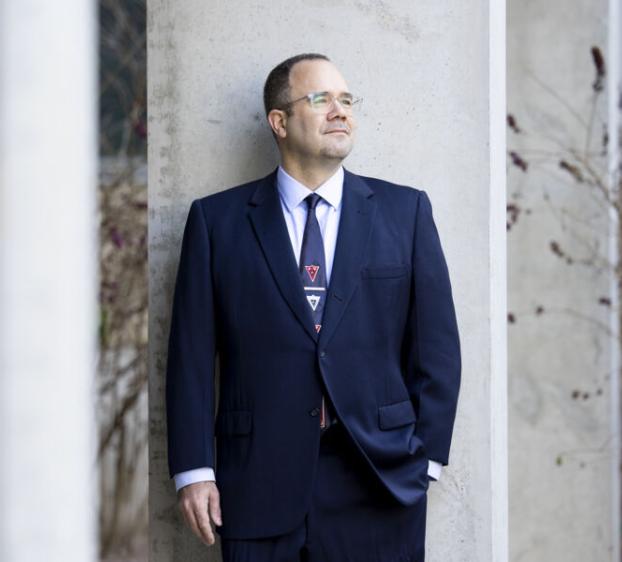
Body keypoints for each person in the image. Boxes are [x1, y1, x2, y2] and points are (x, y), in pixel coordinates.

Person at [165, 53, 461, 562]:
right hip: (256, 482)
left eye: (347, 100)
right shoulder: (217, 222)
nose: (340, 111)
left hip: (379, 481)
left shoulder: (405, 212)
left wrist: (425, 461)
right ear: (279, 122)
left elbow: (437, 348)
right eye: (321, 99)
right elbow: (190, 357)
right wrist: (194, 470)